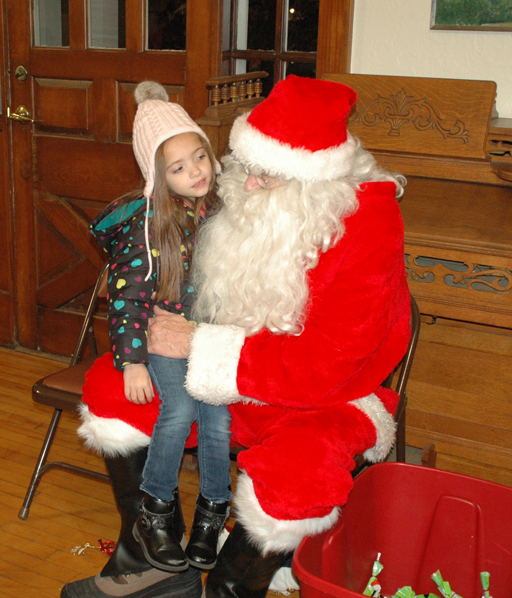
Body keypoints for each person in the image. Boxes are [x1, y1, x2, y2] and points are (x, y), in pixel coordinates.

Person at [66, 75, 411, 598]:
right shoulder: (253, 195)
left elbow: (327, 365)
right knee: (114, 390)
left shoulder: (365, 226)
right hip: (233, 377)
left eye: (265, 177)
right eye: (245, 166)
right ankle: (154, 561)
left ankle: (229, 586)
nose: (245, 185)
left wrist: (199, 346)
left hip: (328, 394)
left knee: (298, 474)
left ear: (314, 181)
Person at [88, 80, 232, 575]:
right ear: (158, 175)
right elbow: (128, 296)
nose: (195, 172)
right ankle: (155, 509)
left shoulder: (221, 207)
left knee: (218, 420)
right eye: (178, 167)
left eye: (200, 157)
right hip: (166, 332)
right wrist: (131, 361)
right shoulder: (148, 226)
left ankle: (213, 511)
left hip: (214, 338)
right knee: (180, 409)